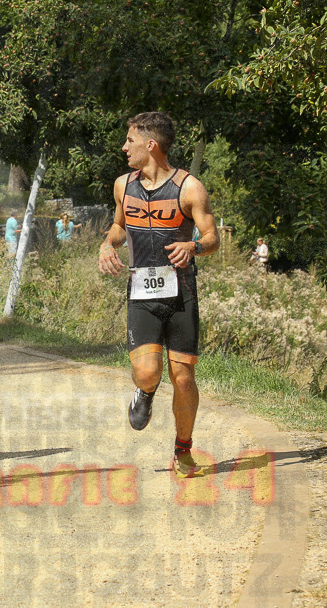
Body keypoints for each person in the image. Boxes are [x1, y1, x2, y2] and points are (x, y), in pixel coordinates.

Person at [96, 112, 219, 479]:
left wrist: (193, 247)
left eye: (130, 141)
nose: (124, 147)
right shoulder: (123, 185)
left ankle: (183, 451)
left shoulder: (189, 188)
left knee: (183, 378)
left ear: (150, 145)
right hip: (141, 293)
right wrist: (107, 245)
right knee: (148, 373)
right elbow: (119, 226)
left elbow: (212, 237)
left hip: (182, 293)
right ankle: (145, 392)